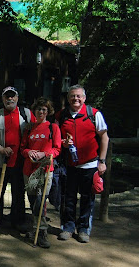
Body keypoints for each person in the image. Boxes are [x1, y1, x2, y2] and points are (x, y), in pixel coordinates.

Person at [57, 84, 109, 243]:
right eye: (72, 96)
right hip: (69, 165)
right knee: (68, 198)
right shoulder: (62, 116)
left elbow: (104, 137)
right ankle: (68, 227)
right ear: (68, 98)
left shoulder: (93, 114)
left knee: (88, 198)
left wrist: (102, 161)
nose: (76, 99)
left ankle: (84, 229)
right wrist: (62, 143)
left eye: (79, 96)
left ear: (84, 98)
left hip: (90, 164)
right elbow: (55, 139)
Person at [0, 86, 36, 233]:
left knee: (18, 192)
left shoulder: (26, 114)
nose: (10, 99)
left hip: (20, 162)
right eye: (6, 96)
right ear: (2, 99)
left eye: (12, 96)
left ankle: (18, 221)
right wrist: (0, 148)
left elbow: (36, 129)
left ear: (17, 98)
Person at [20, 97, 61, 248]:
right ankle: (36, 228)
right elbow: (22, 148)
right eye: (38, 109)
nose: (41, 112)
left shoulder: (53, 128)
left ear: (48, 112)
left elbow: (57, 148)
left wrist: (44, 154)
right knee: (32, 200)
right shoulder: (29, 128)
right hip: (29, 170)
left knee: (41, 200)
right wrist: (29, 152)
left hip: (44, 169)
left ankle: (42, 232)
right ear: (34, 111)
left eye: (44, 109)